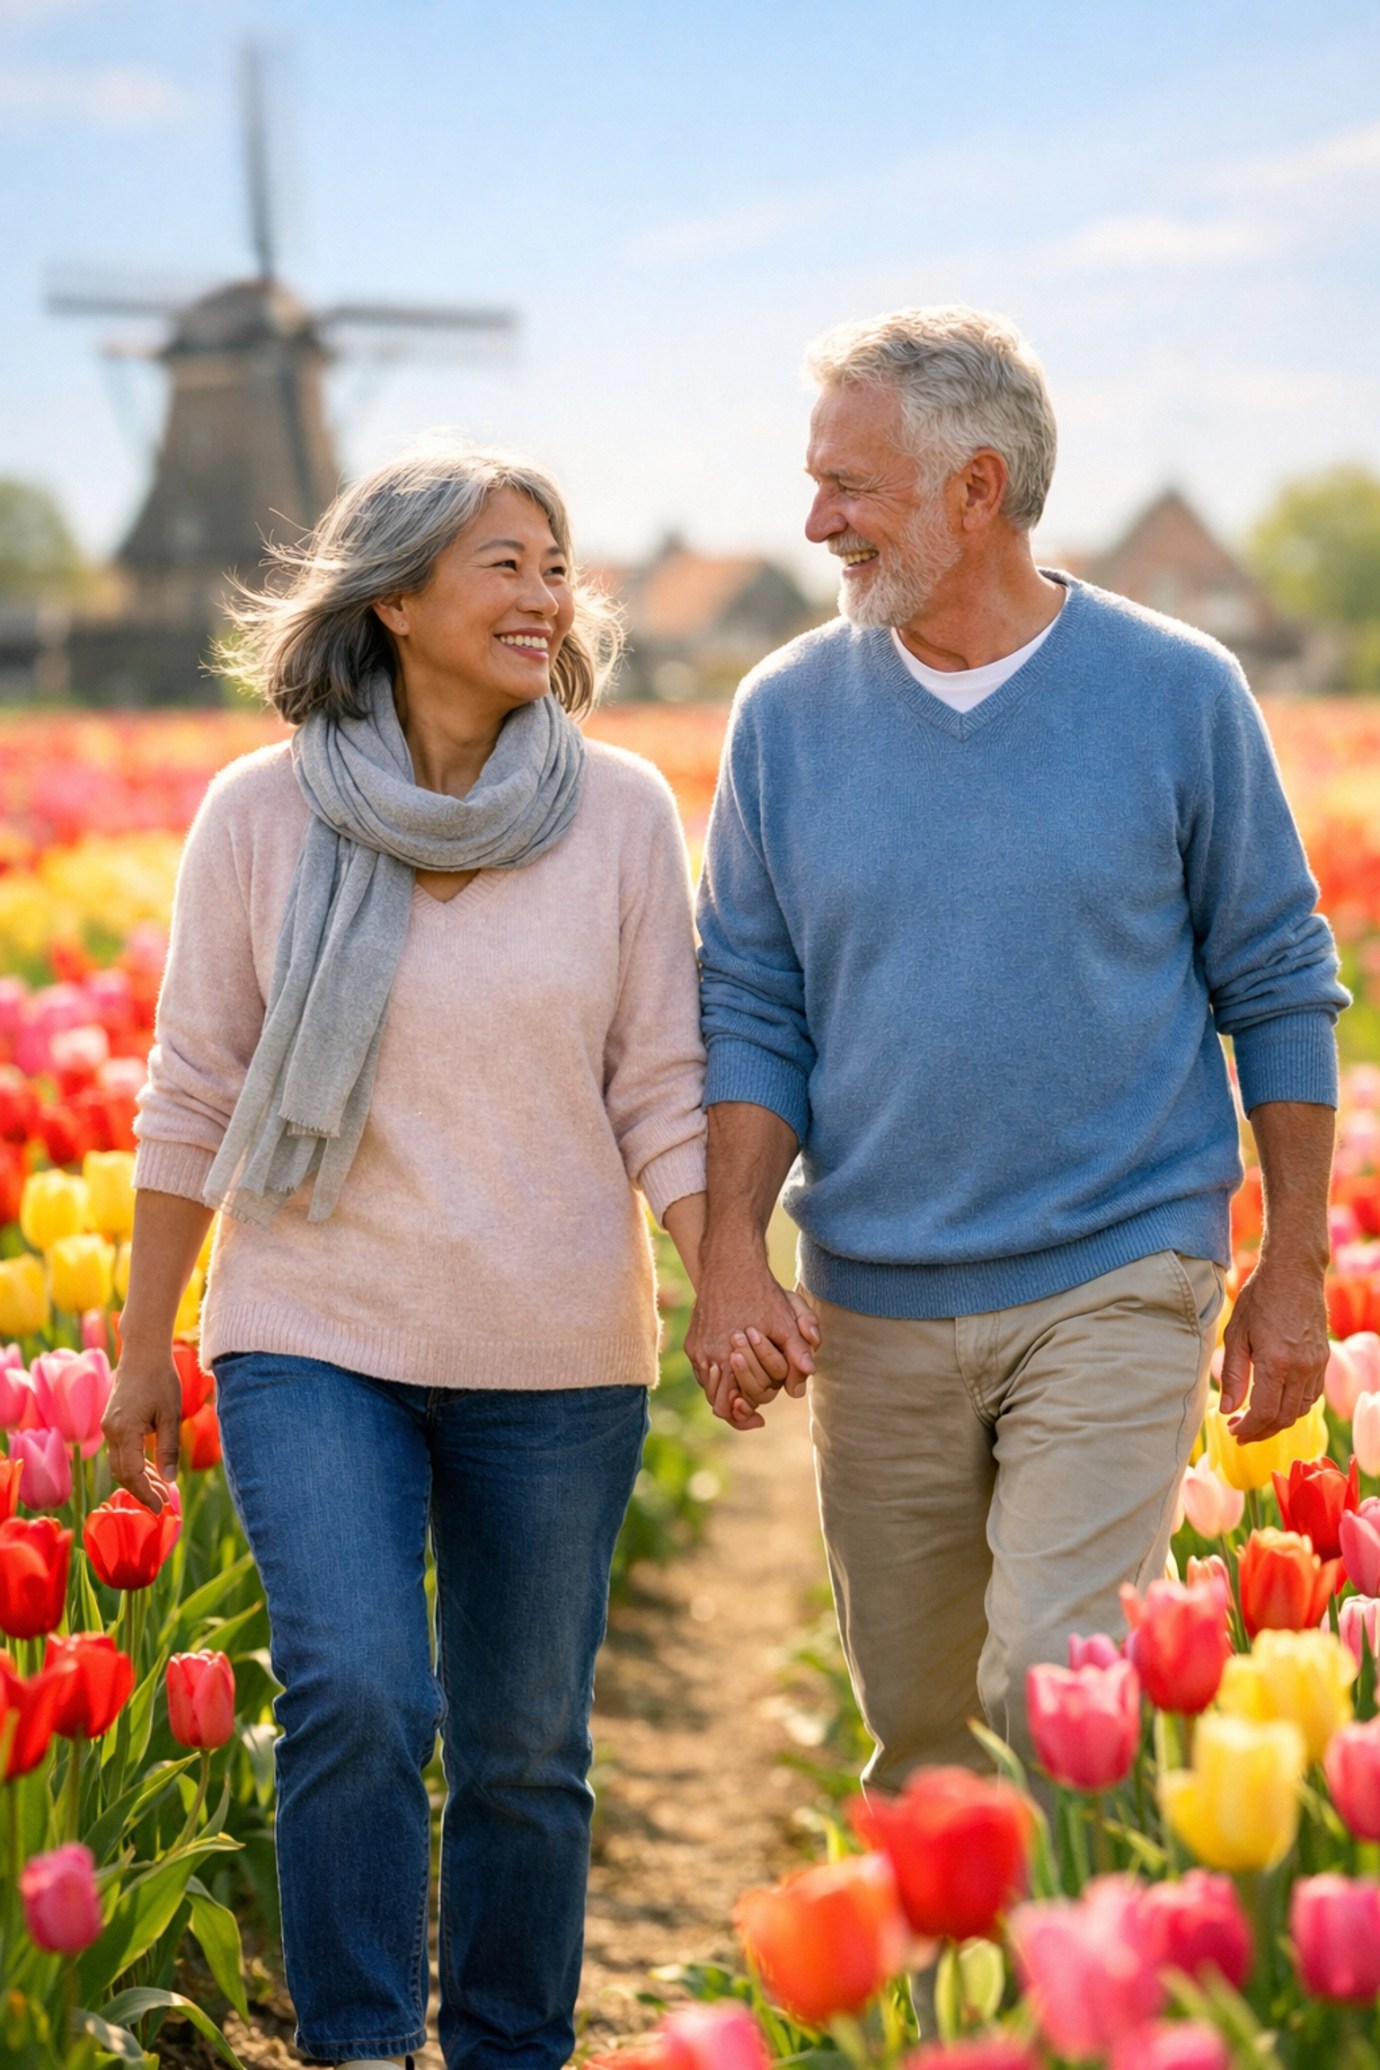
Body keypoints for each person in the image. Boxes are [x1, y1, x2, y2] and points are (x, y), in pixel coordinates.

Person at [102, 443, 787, 2070]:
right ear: (396, 597)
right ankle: (352, 2041)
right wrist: (143, 1338)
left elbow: (660, 1084)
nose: (547, 595)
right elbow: (193, 1081)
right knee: (352, 1695)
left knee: (526, 1749)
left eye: (558, 565)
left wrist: (727, 1276)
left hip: (554, 1352)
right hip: (311, 1327)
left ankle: (504, 2047)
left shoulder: (616, 812)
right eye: (505, 563)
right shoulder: (260, 813)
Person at [688, 305, 1349, 1792]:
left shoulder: (1178, 692)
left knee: (1058, 1682)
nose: (817, 522)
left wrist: (1292, 1258)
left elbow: (1279, 976)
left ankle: (1090, 2017)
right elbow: (751, 1003)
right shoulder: (783, 716)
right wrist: (730, 1251)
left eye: (850, 488)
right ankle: (948, 2029)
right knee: (925, 1737)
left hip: (1118, 1268)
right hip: (879, 1295)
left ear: (975, 489)